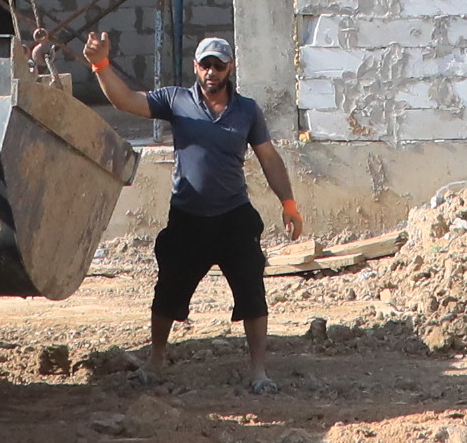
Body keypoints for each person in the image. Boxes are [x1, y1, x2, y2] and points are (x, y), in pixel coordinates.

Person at [86, 29, 306, 393]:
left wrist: (289, 203)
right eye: (206, 65)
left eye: (218, 66)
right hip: (187, 219)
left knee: (252, 293)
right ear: (195, 67)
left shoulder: (247, 110)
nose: (211, 72)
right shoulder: (176, 100)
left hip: (234, 218)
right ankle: (155, 361)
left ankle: (259, 372)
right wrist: (100, 64)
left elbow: (269, 158)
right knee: (168, 292)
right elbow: (125, 100)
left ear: (230, 68)